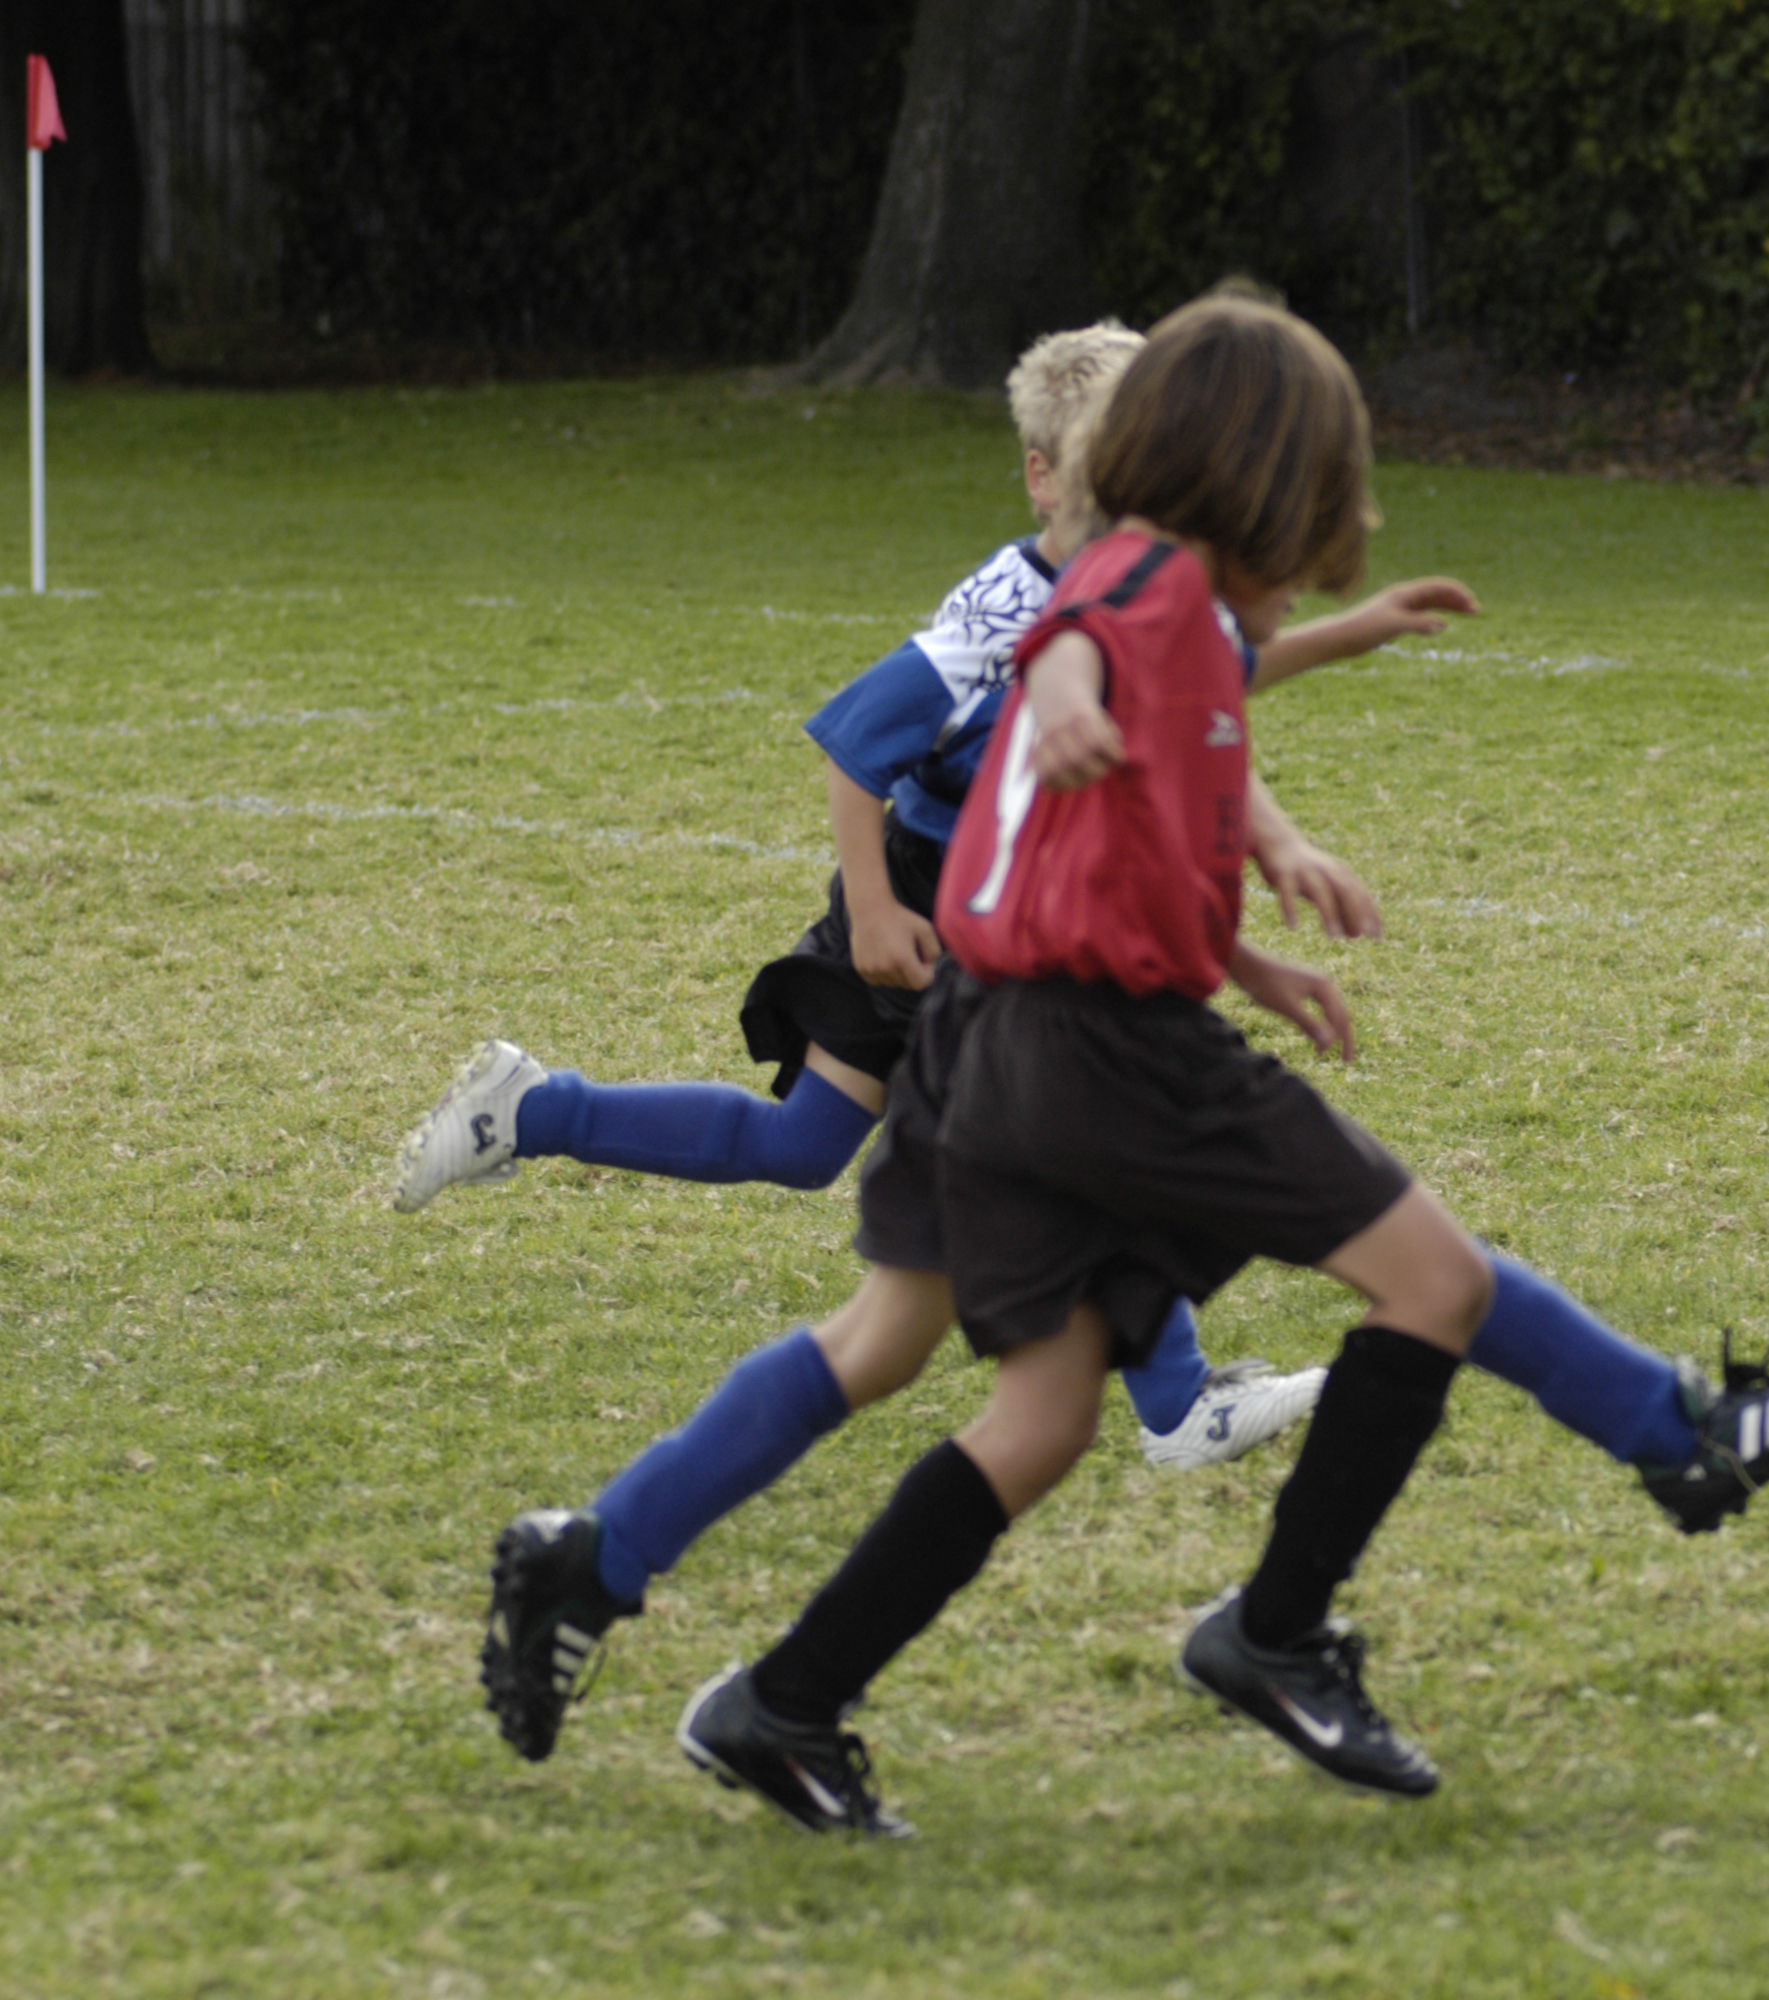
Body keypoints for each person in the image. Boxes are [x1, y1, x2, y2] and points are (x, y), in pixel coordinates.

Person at [659, 292, 1769, 1835]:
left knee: (1042, 1424)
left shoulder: (1159, 591)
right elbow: (1072, 657)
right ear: (1259, 479)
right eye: (1327, 481)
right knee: (1432, 1281)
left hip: (1025, 1043)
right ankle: (1316, 1612)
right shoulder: (1143, 591)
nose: (1337, 516)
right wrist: (1069, 703)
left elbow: (1151, 689)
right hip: (1104, 1051)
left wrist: (1266, 885)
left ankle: (787, 1699)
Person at [397, 323, 1476, 1503]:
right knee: (1052, 1132)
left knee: (819, 1146)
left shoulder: (1146, 589)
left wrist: (1323, 707)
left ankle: (531, 1108)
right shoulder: (998, 614)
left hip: (1014, 915)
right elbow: (854, 746)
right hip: (929, 907)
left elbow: (1208, 690)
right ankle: (1178, 1403)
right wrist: (870, 909)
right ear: (1042, 475)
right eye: (1117, 473)